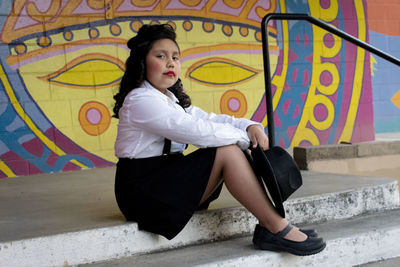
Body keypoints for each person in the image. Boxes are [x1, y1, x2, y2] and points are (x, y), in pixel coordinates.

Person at [113, 24, 326, 256]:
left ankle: (272, 224)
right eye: (160, 56)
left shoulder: (170, 100)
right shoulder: (140, 100)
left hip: (165, 181)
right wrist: (243, 139)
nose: (171, 63)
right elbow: (196, 131)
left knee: (230, 145)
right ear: (142, 63)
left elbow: (210, 119)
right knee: (227, 150)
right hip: (143, 192)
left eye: (175, 57)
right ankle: (275, 227)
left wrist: (249, 125)